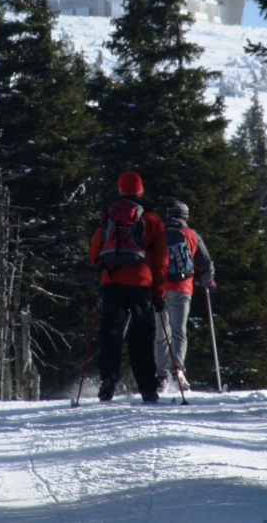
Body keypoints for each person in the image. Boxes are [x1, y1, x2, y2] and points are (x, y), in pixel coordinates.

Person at [88, 171, 168, 403]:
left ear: (120, 190)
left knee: (110, 333)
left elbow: (94, 255)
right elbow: (162, 261)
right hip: (142, 285)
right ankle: (147, 388)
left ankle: (108, 380)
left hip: (112, 283)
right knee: (141, 336)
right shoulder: (152, 219)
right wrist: (159, 293)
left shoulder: (109, 217)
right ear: (141, 190)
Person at [155, 200, 215, 394]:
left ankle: (162, 375)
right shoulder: (191, 235)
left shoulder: (158, 235)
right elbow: (205, 263)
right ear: (185, 217)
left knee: (161, 332)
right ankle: (178, 370)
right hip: (182, 288)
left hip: (159, 289)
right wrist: (208, 281)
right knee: (179, 331)